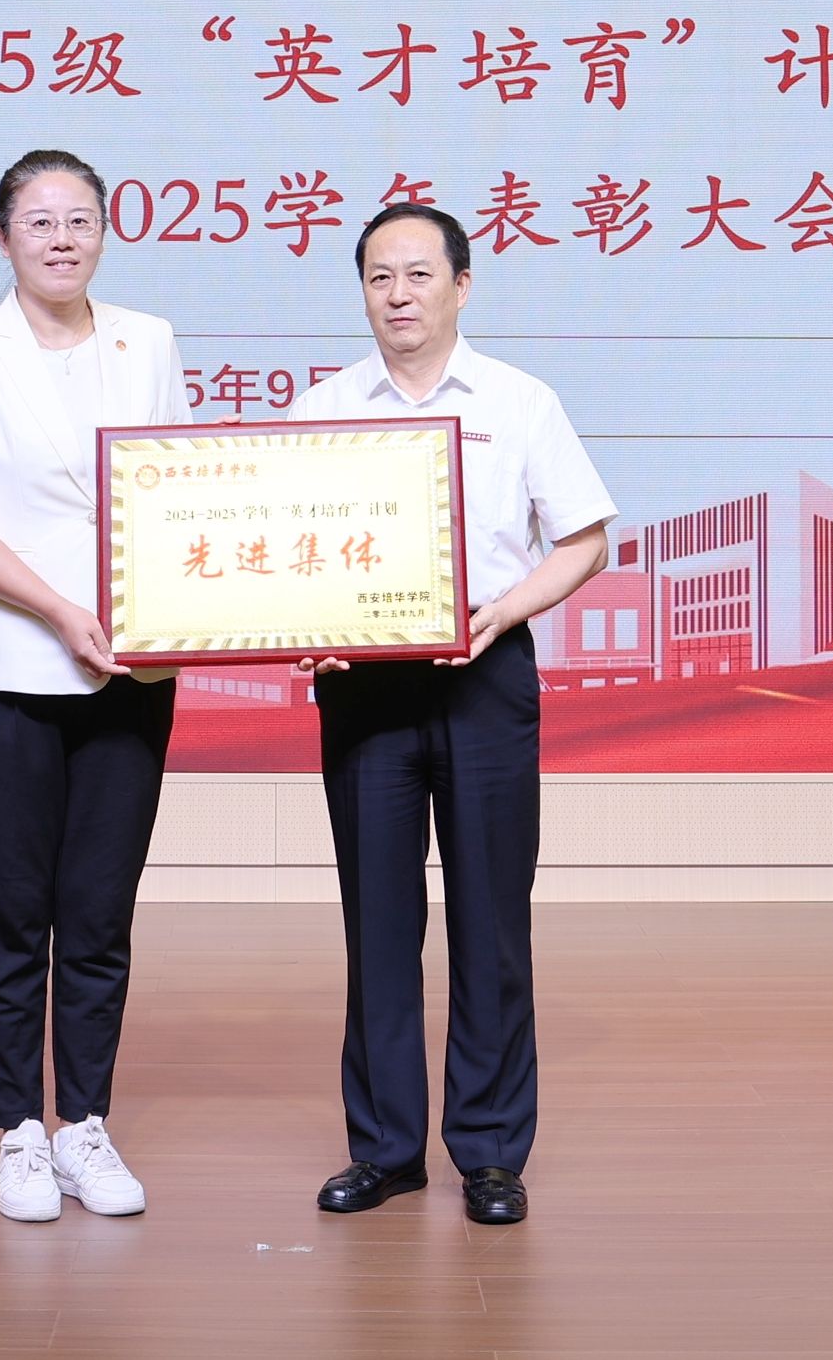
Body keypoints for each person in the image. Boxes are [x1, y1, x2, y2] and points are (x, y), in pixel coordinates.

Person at [288, 201, 615, 1227]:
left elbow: (586, 538)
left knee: (491, 920)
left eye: (419, 274)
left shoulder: (519, 401)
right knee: (377, 923)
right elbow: (283, 551)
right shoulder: (321, 408)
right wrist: (300, 624)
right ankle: (385, 1149)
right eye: (379, 277)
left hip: (485, 678)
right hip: (364, 689)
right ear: (362, 292)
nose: (399, 295)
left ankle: (490, 1151)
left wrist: (502, 612)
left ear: (461, 286)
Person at [0, 149, 186, 1225]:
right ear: (1, 235)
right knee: (12, 905)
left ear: (105, 231)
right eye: (39, 221)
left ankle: (86, 1125)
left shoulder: (147, 340)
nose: (61, 239)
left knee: (100, 909)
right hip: (6, 661)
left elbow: (174, 488)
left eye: (80, 219)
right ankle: (21, 1127)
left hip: (131, 660)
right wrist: (63, 611)